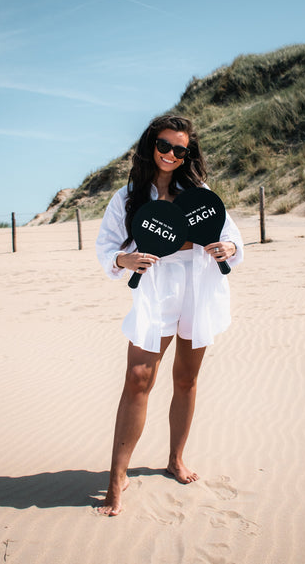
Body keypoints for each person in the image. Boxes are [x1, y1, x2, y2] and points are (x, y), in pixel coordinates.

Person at [96, 114, 244, 516]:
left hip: (197, 284)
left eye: (180, 149)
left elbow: (230, 234)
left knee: (186, 378)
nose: (171, 154)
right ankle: (117, 477)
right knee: (138, 377)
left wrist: (230, 248)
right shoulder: (129, 196)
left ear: (187, 153)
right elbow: (107, 247)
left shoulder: (199, 192)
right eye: (164, 145)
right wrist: (123, 259)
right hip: (156, 287)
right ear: (151, 145)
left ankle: (176, 459)